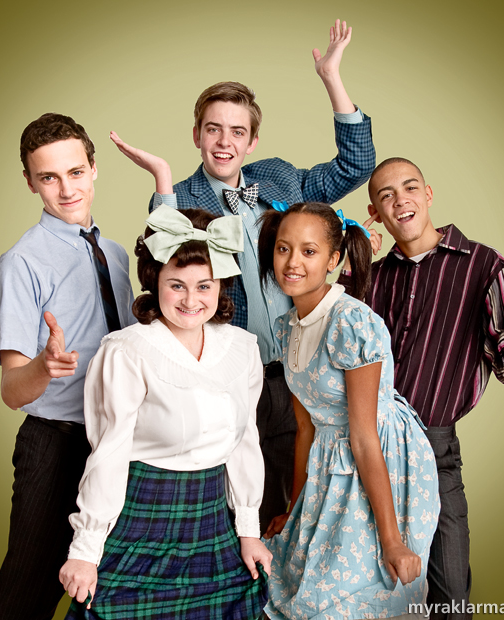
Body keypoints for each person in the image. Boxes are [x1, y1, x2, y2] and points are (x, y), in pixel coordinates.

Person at [110, 19, 376, 533]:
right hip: (231, 378)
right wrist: (163, 180)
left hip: (299, 372)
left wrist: (332, 78)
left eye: (237, 131)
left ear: (253, 141)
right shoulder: (183, 199)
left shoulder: (278, 177)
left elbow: (356, 163)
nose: (224, 141)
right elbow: (162, 252)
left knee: (300, 506)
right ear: (197, 135)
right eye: (213, 129)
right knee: (238, 506)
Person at [348, 157, 504, 619]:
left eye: (409, 188)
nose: (399, 199)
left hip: (434, 446)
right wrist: (354, 267)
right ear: (376, 211)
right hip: (369, 446)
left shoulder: (483, 265)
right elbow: (338, 349)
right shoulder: (374, 277)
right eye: (386, 195)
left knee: (450, 598)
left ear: (428, 195)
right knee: (364, 589)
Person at [59, 206, 272, 619]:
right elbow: (109, 453)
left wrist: (249, 530)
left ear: (221, 286)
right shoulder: (126, 350)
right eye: (177, 285)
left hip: (213, 519)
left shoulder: (243, 347)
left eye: (204, 286)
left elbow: (246, 443)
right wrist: (85, 551)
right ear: (155, 283)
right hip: (142, 514)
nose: (191, 300)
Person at [257, 202, 440, 619]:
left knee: (355, 595)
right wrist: (295, 506)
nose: (292, 262)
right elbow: (305, 427)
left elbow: (364, 434)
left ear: (333, 260)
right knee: (292, 576)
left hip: (382, 462)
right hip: (330, 462)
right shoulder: (288, 328)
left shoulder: (352, 323)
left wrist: (391, 539)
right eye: (283, 249)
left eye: (309, 251)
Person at [0, 113, 135, 620]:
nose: (65, 188)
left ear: (94, 169)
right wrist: (45, 365)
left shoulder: (115, 255)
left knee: (108, 591)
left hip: (118, 443)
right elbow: (12, 388)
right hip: (57, 442)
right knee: (27, 592)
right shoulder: (22, 262)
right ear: (30, 181)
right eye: (48, 177)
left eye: (75, 172)